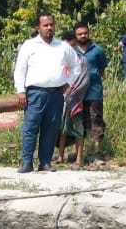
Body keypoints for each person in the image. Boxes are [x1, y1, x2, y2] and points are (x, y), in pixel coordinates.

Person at [13, 12, 81, 173]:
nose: (49, 28)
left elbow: (76, 65)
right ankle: (27, 163)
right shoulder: (29, 45)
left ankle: (45, 162)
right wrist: (21, 91)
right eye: (45, 25)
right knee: (30, 128)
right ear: (38, 27)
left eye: (51, 24)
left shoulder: (63, 46)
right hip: (35, 93)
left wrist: (68, 83)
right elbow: (20, 69)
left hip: (56, 94)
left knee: (51, 128)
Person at [73, 22, 108, 163]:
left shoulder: (97, 50)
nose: (83, 36)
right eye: (80, 34)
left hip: (94, 91)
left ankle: (96, 150)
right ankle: (78, 152)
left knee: (96, 118)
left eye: (85, 33)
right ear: (75, 35)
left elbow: (101, 70)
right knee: (78, 121)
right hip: (78, 93)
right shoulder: (72, 51)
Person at [58, 31, 90, 166]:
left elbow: (84, 81)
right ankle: (60, 157)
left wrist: (71, 93)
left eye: (70, 46)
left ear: (75, 45)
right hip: (61, 100)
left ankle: (78, 159)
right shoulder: (59, 60)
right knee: (62, 129)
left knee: (78, 129)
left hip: (76, 100)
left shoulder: (82, 60)